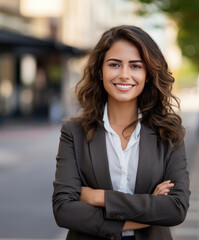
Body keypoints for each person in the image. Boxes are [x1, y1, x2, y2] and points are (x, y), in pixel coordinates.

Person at [52, 25, 190, 240]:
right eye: (115, 65)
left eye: (135, 66)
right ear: (100, 71)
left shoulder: (169, 133)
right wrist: (148, 210)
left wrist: (100, 197)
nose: (124, 75)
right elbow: (64, 210)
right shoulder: (74, 132)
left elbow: (176, 208)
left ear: (148, 74)